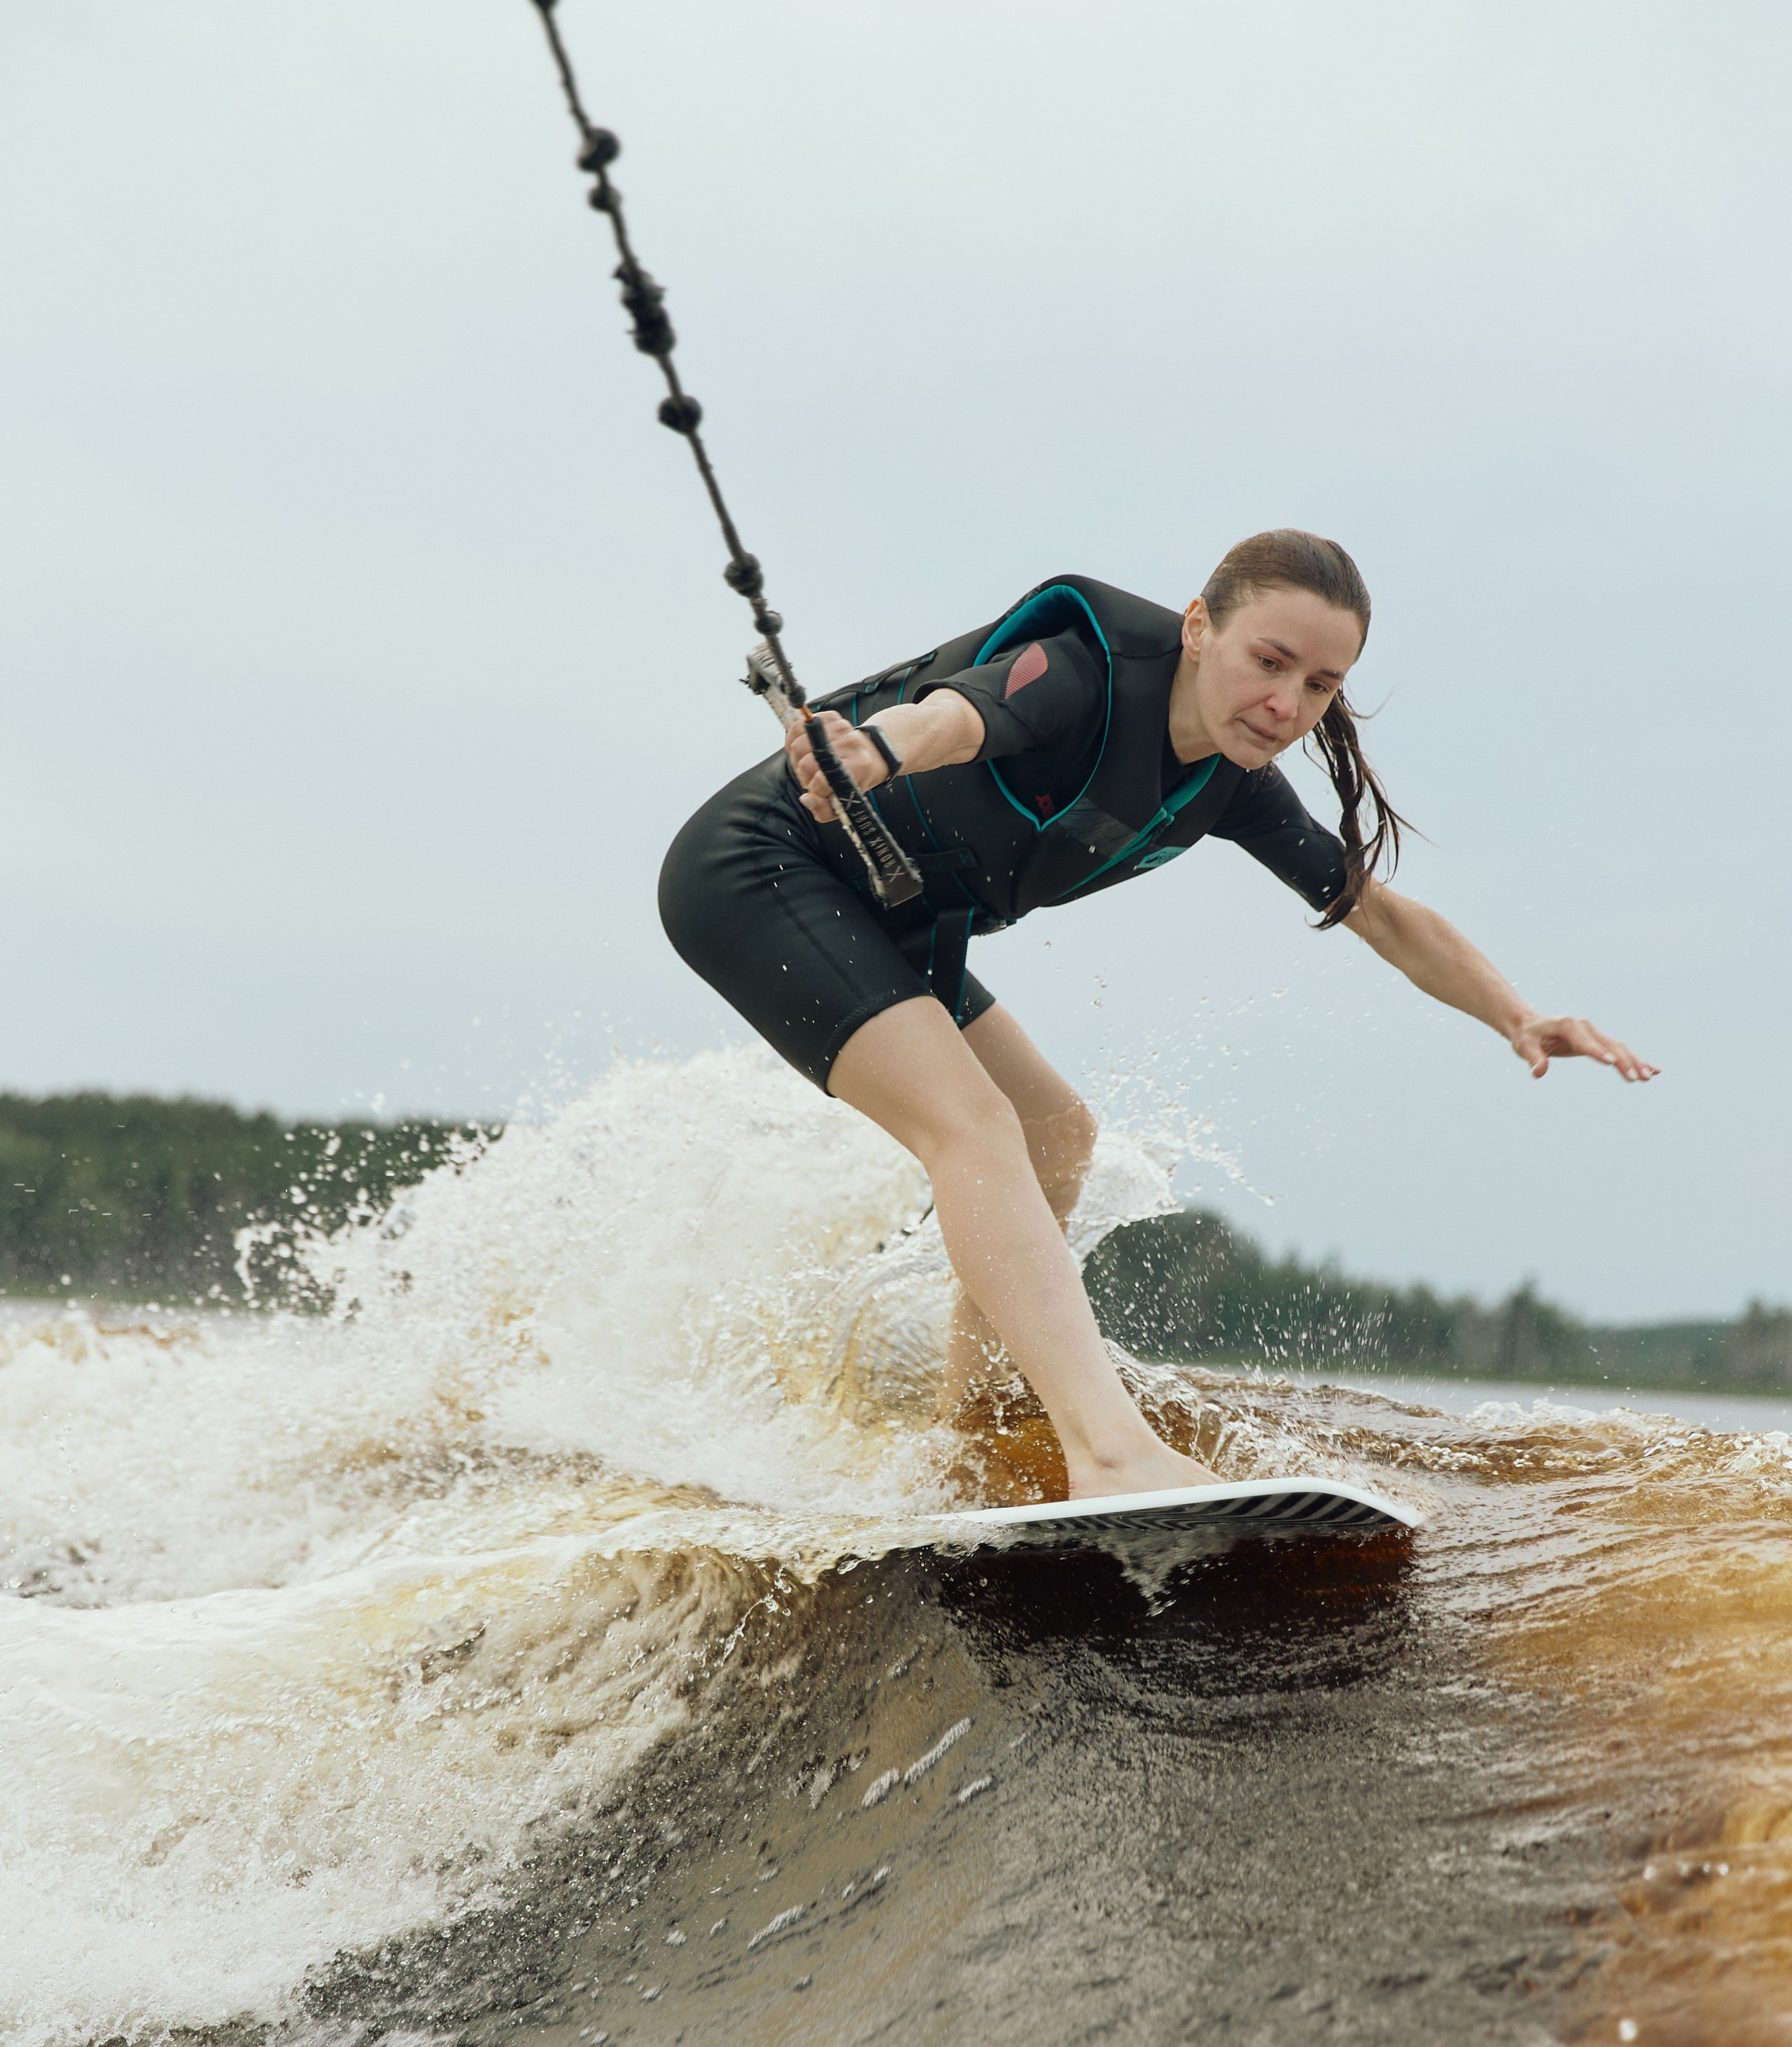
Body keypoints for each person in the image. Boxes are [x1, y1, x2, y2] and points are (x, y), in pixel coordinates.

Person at [660, 530, 1656, 1500]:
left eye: (1317, 686)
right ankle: (1108, 1451)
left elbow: (1382, 917)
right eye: (1268, 661)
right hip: (761, 870)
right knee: (974, 1126)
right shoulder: (1078, 677)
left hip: (889, 922)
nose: (1284, 704)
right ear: (1196, 628)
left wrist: (1516, 1018)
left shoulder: (1231, 785)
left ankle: (955, 1438)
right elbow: (958, 719)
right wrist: (875, 750)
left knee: (1056, 1133)